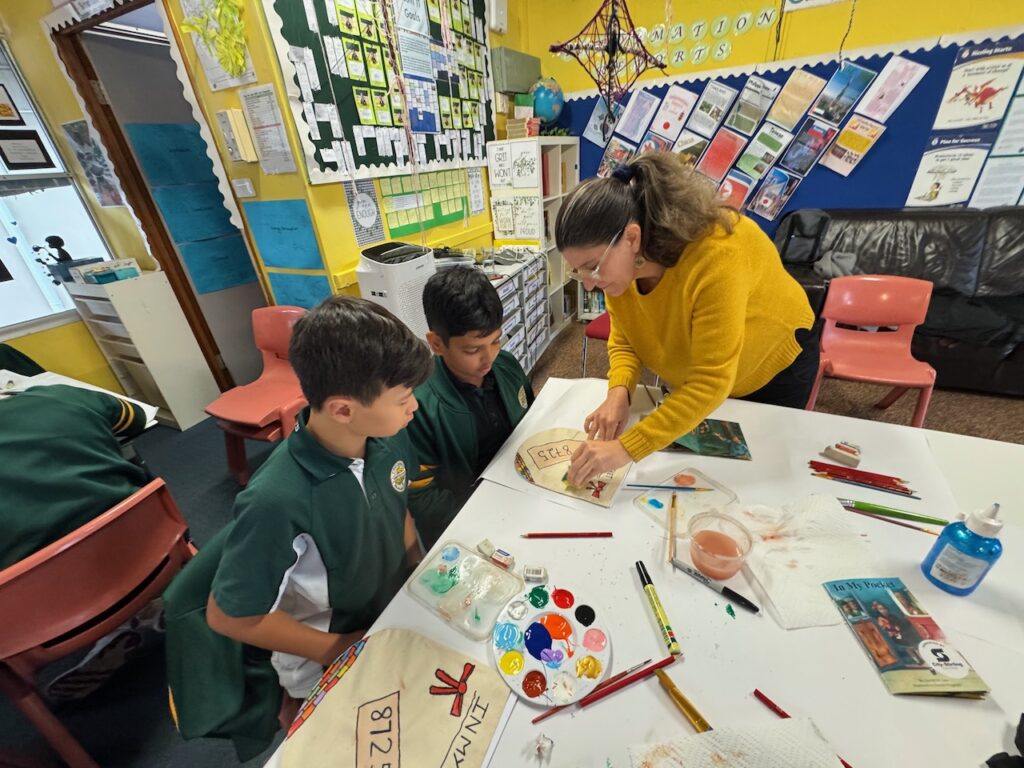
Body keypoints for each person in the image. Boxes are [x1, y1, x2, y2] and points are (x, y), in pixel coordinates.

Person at [164, 296, 432, 756]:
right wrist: (334, 648)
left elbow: (398, 508)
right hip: (325, 647)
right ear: (343, 410)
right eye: (404, 399)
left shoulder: (385, 437)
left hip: (387, 613)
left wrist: (417, 569)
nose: (415, 408)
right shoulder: (277, 501)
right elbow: (228, 614)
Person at [556, 153, 817, 486]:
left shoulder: (717, 254)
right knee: (701, 473)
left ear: (632, 238)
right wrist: (619, 392)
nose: (589, 283)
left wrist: (625, 448)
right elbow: (626, 336)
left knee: (760, 479)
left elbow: (710, 382)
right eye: (578, 271)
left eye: (592, 267)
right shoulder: (621, 265)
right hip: (704, 374)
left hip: (772, 365)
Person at [0, 384, 160, 701]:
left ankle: (119, 621)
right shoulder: (59, 396)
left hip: (42, 614)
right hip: (150, 548)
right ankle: (151, 605)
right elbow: (137, 419)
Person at [407, 268, 533, 548]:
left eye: (496, 340)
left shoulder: (507, 366)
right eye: (472, 350)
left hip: (523, 494)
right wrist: (481, 520)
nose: (489, 357)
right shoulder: (418, 406)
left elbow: (530, 423)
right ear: (437, 344)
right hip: (470, 526)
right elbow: (421, 495)